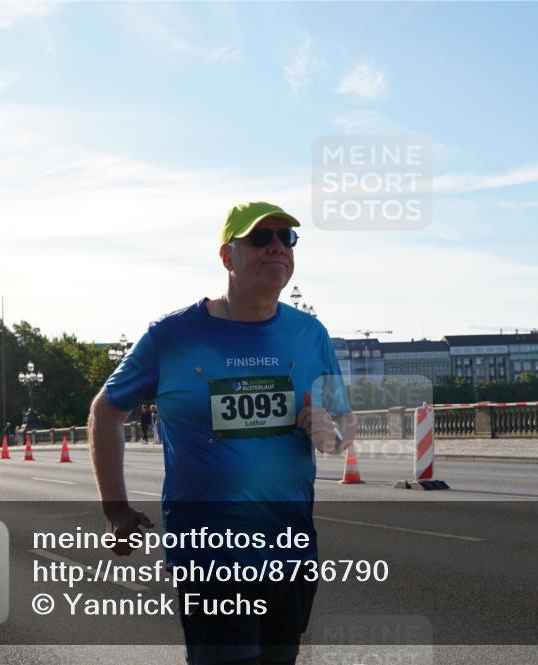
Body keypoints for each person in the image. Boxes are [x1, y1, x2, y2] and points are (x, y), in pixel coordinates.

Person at [89, 201, 356, 665]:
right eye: (261, 238)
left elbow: (344, 426)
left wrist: (329, 436)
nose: (277, 246)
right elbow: (106, 410)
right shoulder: (172, 336)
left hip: (291, 553)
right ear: (227, 256)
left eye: (286, 238)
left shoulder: (310, 334)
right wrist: (115, 508)